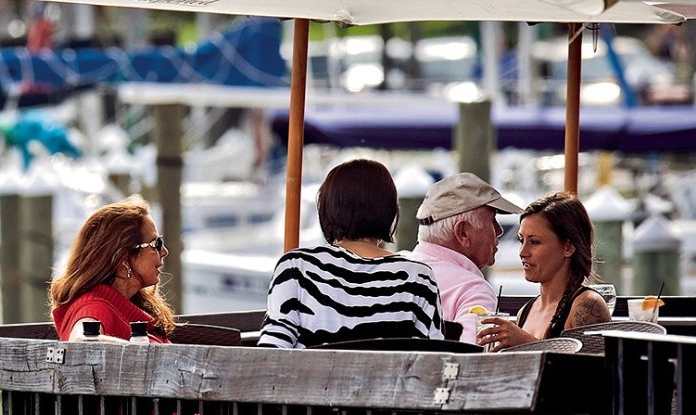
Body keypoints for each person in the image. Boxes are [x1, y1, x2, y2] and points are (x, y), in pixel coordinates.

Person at [258, 159, 444, 349]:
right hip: (390, 379)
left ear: (328, 209)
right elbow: (432, 361)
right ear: (389, 212)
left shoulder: (296, 266)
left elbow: (273, 349)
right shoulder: (419, 277)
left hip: (312, 378)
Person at [478, 192, 611, 351]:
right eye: (521, 240)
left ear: (567, 247)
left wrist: (527, 344)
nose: (522, 252)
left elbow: (595, 373)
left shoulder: (587, 305)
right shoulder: (526, 311)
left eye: (534, 242)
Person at [406, 172, 523, 344]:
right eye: (492, 221)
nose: (499, 230)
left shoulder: (394, 270)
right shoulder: (472, 290)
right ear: (463, 233)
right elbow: (469, 362)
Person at [50, 197, 177, 343]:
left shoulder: (124, 304)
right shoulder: (95, 306)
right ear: (123, 258)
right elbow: (80, 342)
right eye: (156, 244)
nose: (164, 251)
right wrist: (143, 352)